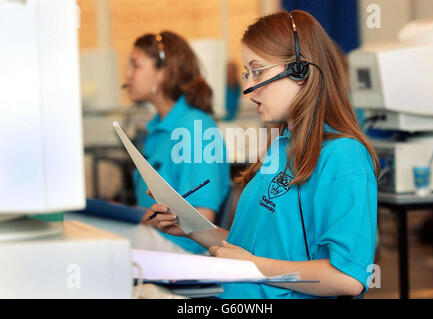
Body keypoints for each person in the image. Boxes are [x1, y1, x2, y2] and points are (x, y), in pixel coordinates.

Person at [146, 10, 380, 299]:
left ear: (300, 71)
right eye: (247, 73)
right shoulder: (280, 147)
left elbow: (347, 278)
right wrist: (191, 226)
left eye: (257, 71)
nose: (247, 87)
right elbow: (249, 248)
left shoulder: (344, 156)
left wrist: (254, 267)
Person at [125, 31, 231, 254]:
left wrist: (133, 218)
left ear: (163, 72)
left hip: (183, 249)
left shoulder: (195, 129)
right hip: (157, 240)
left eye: (135, 65)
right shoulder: (157, 129)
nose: (127, 75)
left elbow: (201, 217)